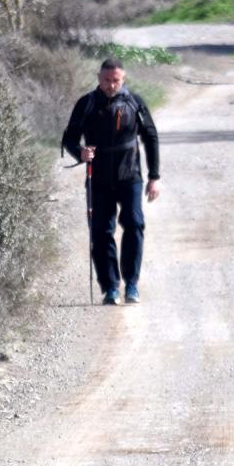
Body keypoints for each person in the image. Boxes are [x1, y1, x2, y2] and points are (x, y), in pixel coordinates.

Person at [62, 58, 161, 305]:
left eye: (116, 80)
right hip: (99, 178)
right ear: (99, 78)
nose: (111, 85)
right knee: (101, 232)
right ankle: (110, 288)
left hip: (130, 176)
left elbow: (151, 137)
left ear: (123, 78)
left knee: (135, 224)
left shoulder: (134, 102)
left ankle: (132, 285)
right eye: (106, 80)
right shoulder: (87, 103)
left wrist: (154, 177)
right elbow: (70, 138)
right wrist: (80, 153)